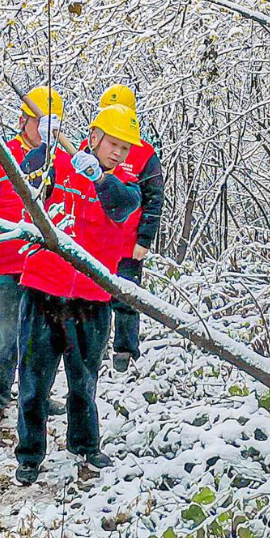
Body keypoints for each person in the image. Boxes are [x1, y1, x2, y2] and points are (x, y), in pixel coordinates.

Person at [14, 104, 142, 484]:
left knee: (84, 381)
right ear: (95, 136)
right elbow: (28, 175)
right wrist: (47, 145)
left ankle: (85, 445)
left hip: (91, 298)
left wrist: (100, 179)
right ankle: (29, 454)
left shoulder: (127, 183)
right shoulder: (60, 163)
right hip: (43, 289)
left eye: (125, 147)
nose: (118, 153)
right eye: (113, 144)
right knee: (34, 380)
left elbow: (122, 207)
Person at [0, 86, 67, 424]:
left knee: (43, 337)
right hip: (10, 261)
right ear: (24, 121)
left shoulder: (61, 159)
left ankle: (37, 395)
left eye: (51, 122)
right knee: (5, 332)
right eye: (39, 121)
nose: (44, 128)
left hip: (49, 264)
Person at [98, 85, 164, 372]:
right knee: (96, 297)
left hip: (128, 243)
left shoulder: (144, 154)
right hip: (96, 242)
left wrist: (145, 239)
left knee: (126, 299)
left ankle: (125, 351)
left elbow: (154, 199)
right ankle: (96, 350)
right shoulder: (91, 148)